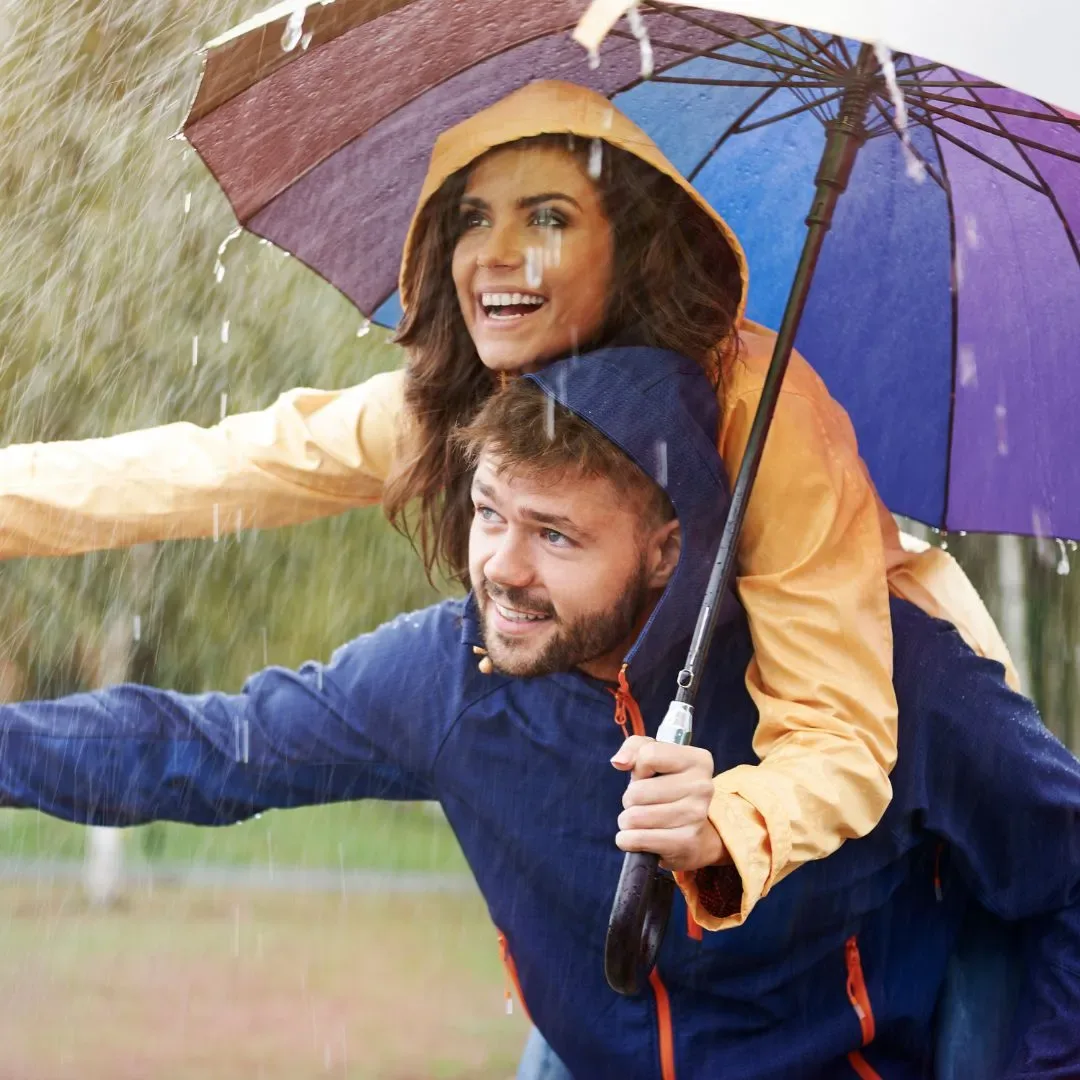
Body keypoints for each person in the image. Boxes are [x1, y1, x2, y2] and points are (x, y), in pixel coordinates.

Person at [0, 80, 1018, 931]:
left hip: (899, 789)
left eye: (548, 218)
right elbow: (215, 468)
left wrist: (726, 823)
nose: (495, 251)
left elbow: (837, 725)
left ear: (631, 247)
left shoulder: (756, 409)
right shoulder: (468, 401)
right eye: (472, 218)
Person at [0, 347, 1075, 1079]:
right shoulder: (449, 678)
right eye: (488, 513)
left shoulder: (890, 675)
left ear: (667, 548)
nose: (501, 570)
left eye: (555, 535)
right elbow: (213, 746)